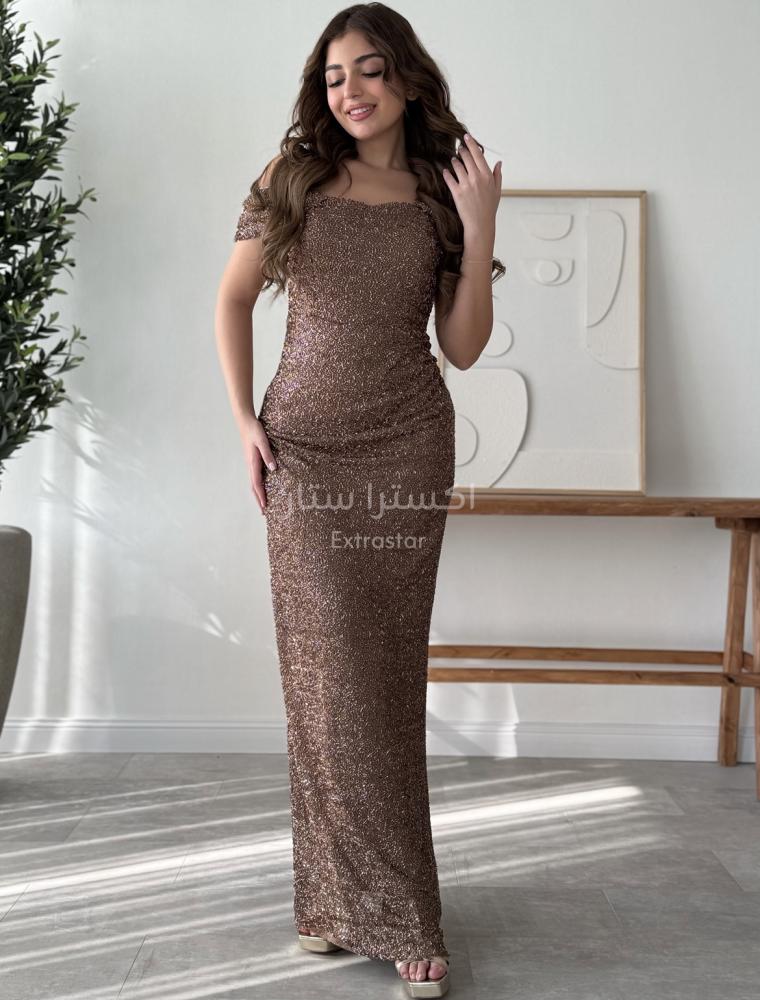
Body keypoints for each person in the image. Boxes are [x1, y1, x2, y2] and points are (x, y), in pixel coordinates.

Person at [215, 4, 504, 995]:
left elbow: (462, 346)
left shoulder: (439, 193)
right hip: (303, 449)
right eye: (334, 76)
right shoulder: (290, 177)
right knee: (322, 675)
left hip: (406, 449)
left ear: (407, 79)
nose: (351, 91)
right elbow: (232, 298)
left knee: (378, 674)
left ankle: (358, 907)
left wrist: (479, 226)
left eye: (369, 70)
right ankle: (361, 905)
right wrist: (243, 421)